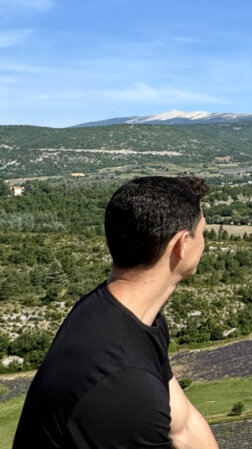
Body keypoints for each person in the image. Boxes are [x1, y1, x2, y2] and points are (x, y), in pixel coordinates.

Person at [13, 176, 219, 449]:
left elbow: (184, 425)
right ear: (181, 245)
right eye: (201, 232)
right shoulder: (123, 385)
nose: (204, 242)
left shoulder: (127, 315)